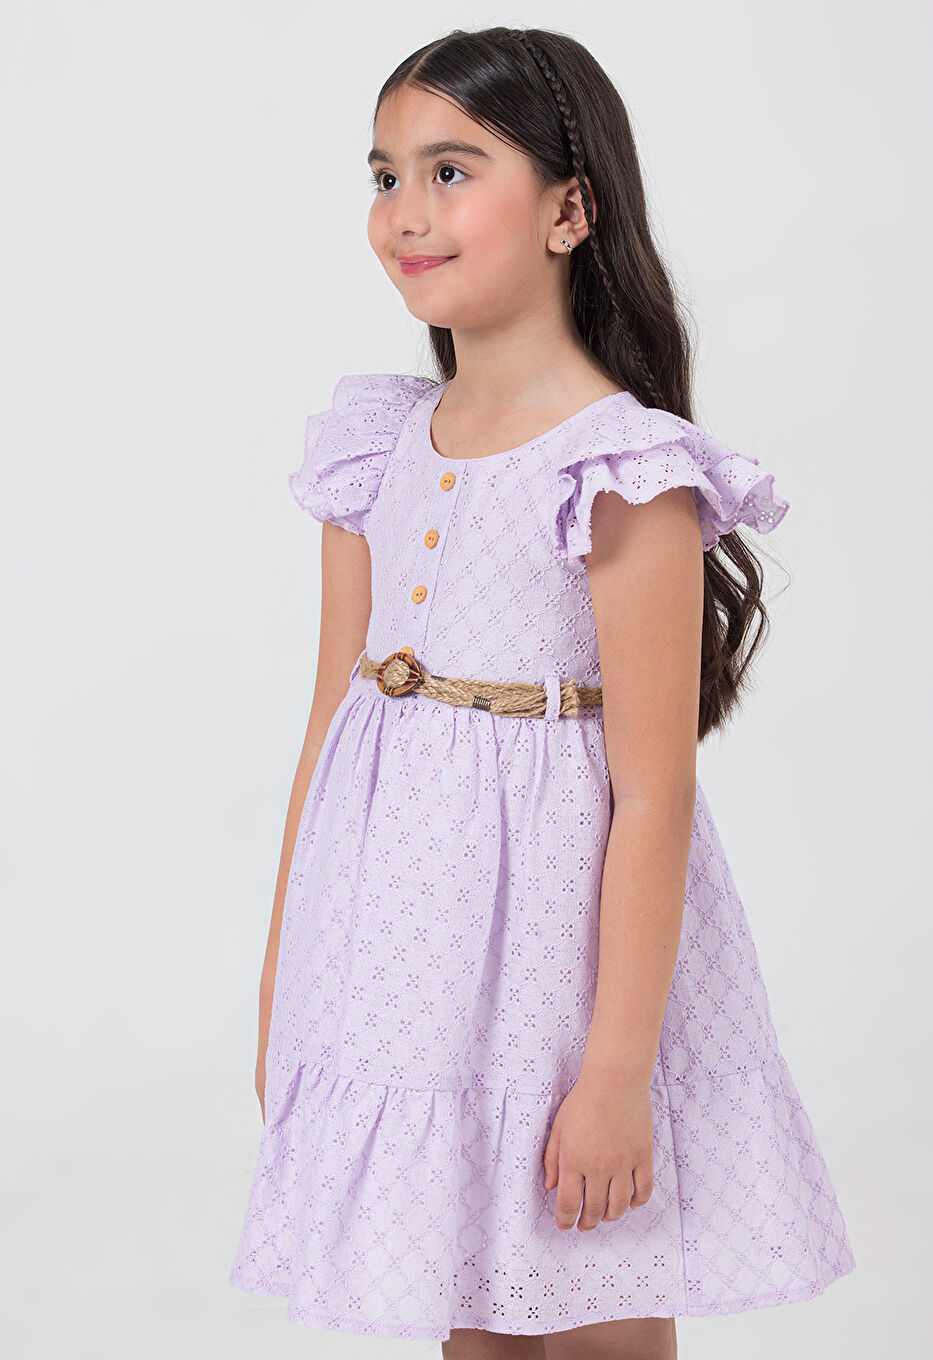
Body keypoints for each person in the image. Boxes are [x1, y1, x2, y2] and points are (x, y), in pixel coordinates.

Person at [228, 25, 855, 1359]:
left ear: (571, 208)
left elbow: (654, 797)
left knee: (601, 1308)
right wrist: (288, 982)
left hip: (569, 972)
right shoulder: (375, 445)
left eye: (452, 171)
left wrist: (616, 1072)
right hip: (410, 960)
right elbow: (331, 730)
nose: (405, 212)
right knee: (471, 1307)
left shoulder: (622, 472)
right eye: (386, 176)